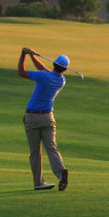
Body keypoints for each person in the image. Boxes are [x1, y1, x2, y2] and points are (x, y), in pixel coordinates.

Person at [17, 47, 69, 191]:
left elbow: (21, 72)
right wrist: (33, 57)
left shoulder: (43, 76)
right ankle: (60, 173)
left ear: (54, 64)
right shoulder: (61, 80)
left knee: (35, 151)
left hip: (32, 117)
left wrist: (23, 55)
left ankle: (39, 183)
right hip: (48, 117)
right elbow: (45, 70)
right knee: (52, 148)